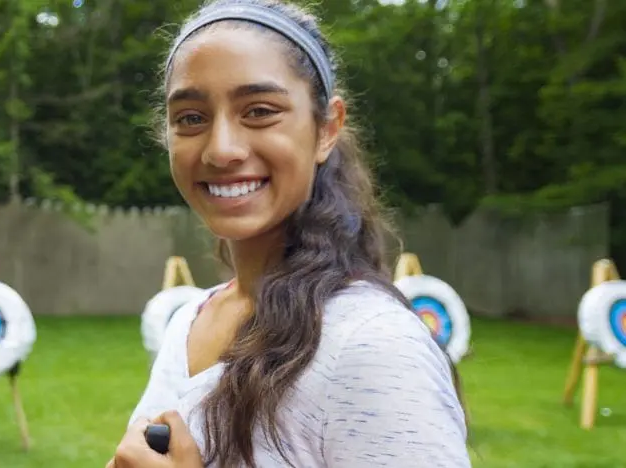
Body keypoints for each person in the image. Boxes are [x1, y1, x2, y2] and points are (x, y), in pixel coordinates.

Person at [106, 0, 471, 467]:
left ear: (326, 129)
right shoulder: (188, 323)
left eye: (259, 111)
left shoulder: (370, 345)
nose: (222, 150)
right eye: (191, 118)